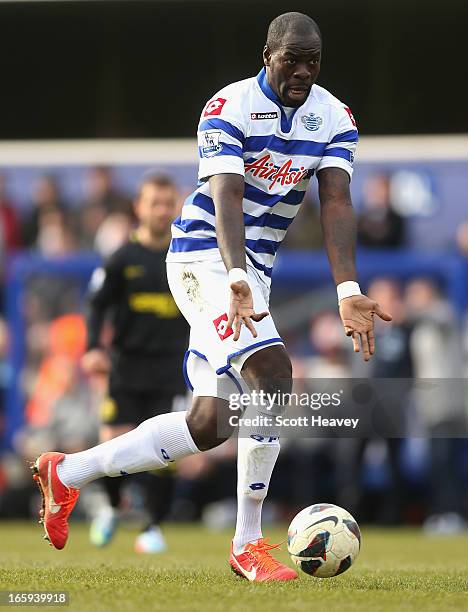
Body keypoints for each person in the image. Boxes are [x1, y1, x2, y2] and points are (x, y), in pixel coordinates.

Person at [31, 12, 391, 582]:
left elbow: (338, 203)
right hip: (204, 258)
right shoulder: (227, 106)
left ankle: (66, 474)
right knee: (273, 375)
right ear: (267, 54)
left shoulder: (335, 117)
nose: (302, 71)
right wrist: (235, 275)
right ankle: (247, 543)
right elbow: (225, 195)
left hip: (256, 271)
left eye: (313, 60)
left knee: (209, 425)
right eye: (291, 59)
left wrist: (347, 288)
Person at [80, 172, 188, 552]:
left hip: (171, 368)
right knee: (113, 443)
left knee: (168, 452)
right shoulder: (122, 259)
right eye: (154, 203)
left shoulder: (186, 254)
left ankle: (152, 528)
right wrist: (93, 347)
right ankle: (110, 507)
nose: (161, 210)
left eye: (167, 203)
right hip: (126, 367)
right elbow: (96, 304)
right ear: (138, 208)